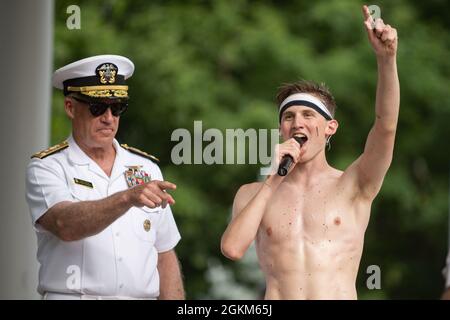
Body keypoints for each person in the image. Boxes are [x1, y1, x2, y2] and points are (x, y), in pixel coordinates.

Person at [221, 6, 399, 299]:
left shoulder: (354, 184)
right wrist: (273, 180)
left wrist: (386, 59)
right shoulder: (252, 192)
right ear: (281, 129)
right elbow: (232, 248)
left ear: (330, 127)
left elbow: (386, 126)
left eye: (307, 115)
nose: (297, 123)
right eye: (288, 117)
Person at [25, 55, 184, 300]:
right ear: (70, 107)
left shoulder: (147, 168)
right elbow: (65, 225)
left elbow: (164, 253)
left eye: (117, 107)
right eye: (97, 107)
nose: (109, 118)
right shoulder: (48, 167)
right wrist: (127, 198)